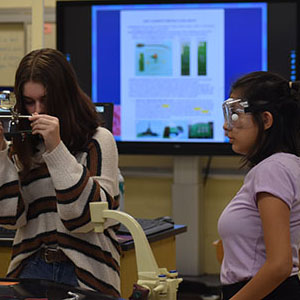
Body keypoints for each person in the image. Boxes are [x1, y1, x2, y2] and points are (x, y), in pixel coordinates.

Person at [0, 48, 121, 298]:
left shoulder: (98, 141)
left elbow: (82, 218)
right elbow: (10, 218)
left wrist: (56, 148)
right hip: (31, 267)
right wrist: (1, 153)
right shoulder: (24, 146)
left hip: (88, 272)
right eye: (29, 102)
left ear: (64, 98)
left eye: (45, 101)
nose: (36, 111)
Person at [218, 71, 300, 299]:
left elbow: (280, 265)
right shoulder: (285, 164)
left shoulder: (273, 170)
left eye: (234, 115)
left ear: (266, 120)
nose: (226, 126)